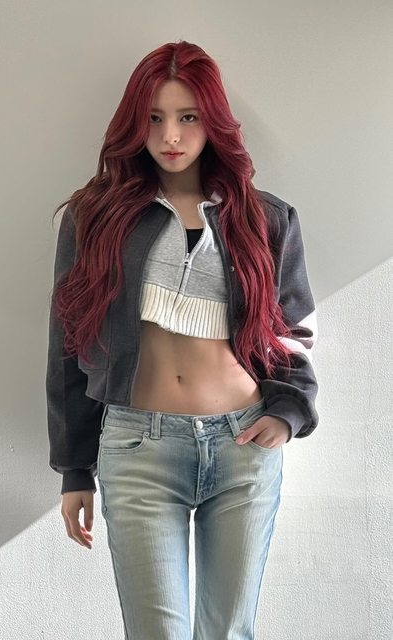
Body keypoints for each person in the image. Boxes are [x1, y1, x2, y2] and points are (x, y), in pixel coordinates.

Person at [46, 40, 319, 640]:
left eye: (188, 116)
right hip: (138, 448)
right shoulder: (94, 218)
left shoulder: (265, 218)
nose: (170, 135)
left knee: (228, 633)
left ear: (212, 120)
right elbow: (68, 345)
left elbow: (292, 333)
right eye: (154, 118)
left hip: (244, 447)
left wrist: (289, 412)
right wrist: (74, 468)